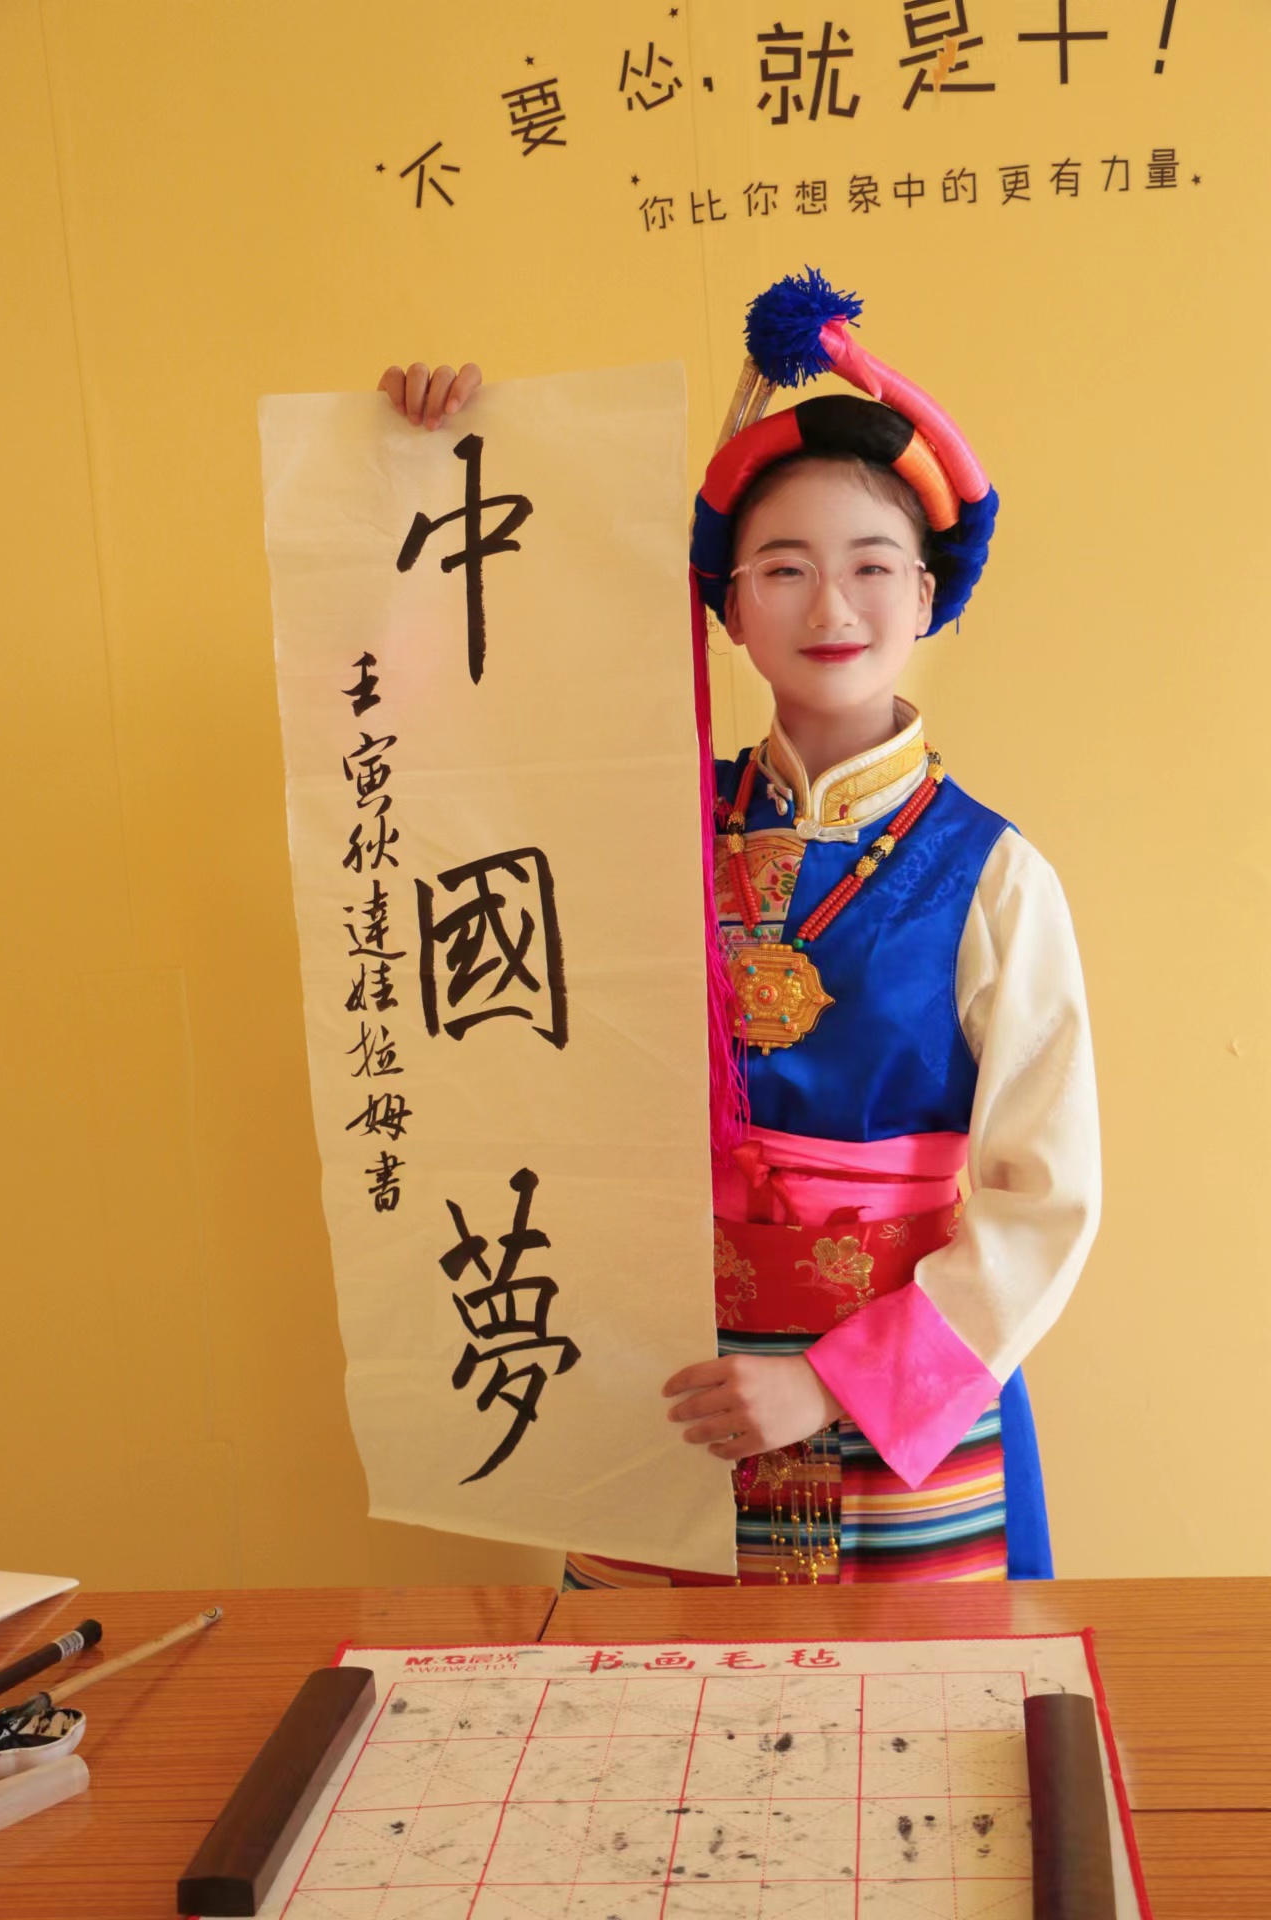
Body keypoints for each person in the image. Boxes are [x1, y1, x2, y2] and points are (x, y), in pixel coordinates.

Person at [378, 266, 1099, 1586]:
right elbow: (442, 784)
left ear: (928, 592)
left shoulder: (994, 875)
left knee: (902, 1715)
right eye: (785, 569)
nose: (831, 608)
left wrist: (828, 1383)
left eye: (872, 566)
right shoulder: (645, 823)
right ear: (729, 605)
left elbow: (1045, 1201)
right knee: (654, 1705)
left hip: (900, 1412)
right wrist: (427, 478)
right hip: (665, 1384)